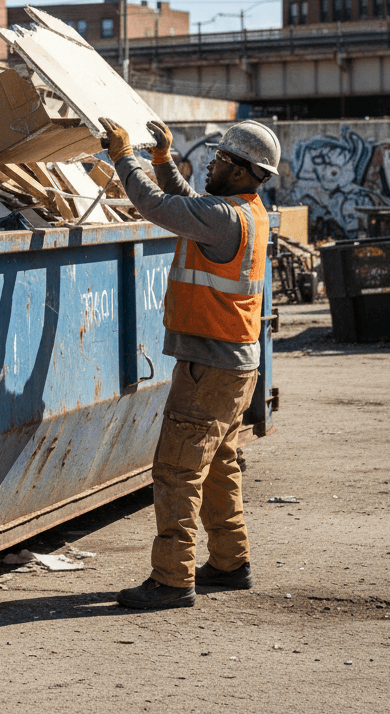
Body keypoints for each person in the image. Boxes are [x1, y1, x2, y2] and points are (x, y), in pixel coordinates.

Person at [98, 116, 281, 611]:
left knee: (177, 470)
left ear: (243, 172)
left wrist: (122, 156)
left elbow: (159, 208)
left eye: (221, 159)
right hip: (236, 366)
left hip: (209, 366)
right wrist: (161, 159)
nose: (211, 163)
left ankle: (172, 580)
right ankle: (230, 562)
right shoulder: (248, 211)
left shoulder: (222, 217)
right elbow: (188, 205)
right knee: (219, 463)